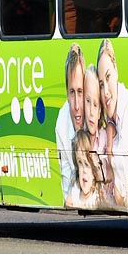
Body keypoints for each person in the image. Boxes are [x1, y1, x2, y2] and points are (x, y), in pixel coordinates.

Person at [97, 39, 128, 209]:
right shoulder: (112, 119)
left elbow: (120, 195)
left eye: (108, 77)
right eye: (101, 84)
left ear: (117, 71)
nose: (106, 92)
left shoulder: (127, 106)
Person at [54, 44, 85, 194]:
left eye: (81, 92)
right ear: (66, 94)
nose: (77, 105)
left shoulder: (100, 121)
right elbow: (67, 189)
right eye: (72, 93)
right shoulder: (62, 122)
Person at [66, 129, 103, 209]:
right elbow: (68, 203)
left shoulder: (97, 196)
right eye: (80, 163)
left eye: (87, 164)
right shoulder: (75, 191)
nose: (84, 171)